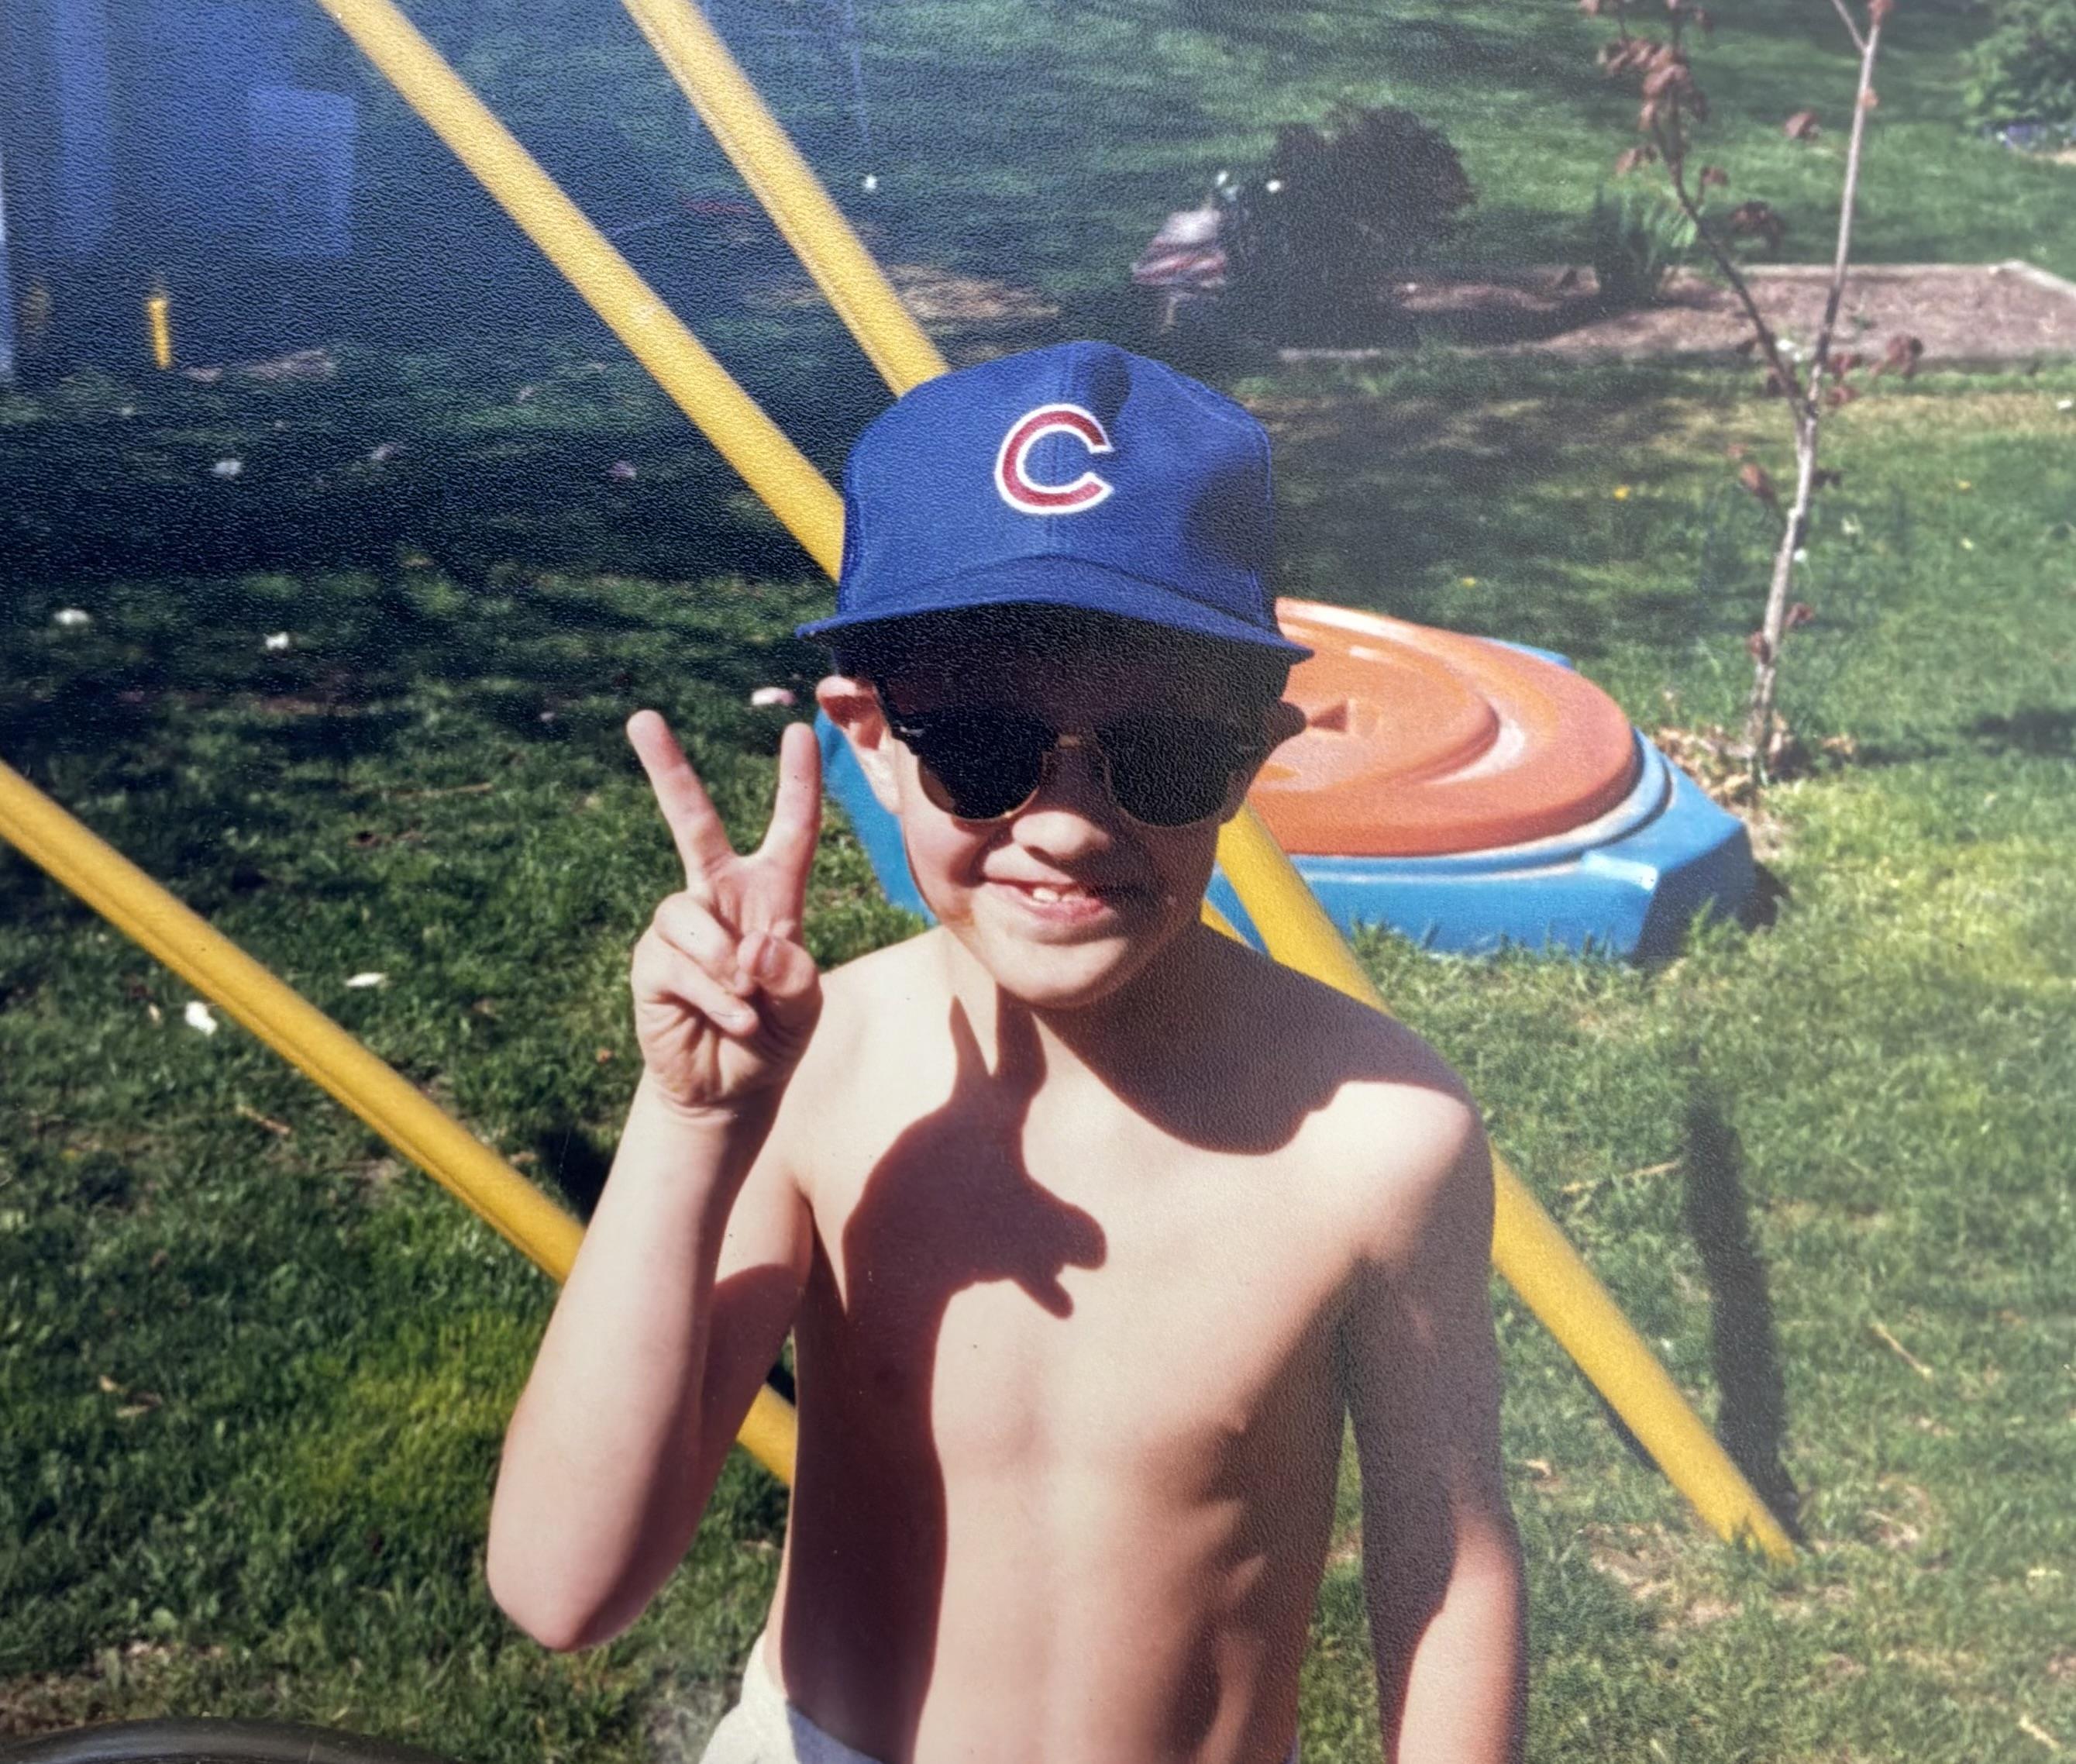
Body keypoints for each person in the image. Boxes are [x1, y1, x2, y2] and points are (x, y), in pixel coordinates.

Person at [484, 342, 1525, 1764]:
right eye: (981, 747)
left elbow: (1450, 1566)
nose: (1071, 824)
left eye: (1161, 757)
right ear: (871, 739)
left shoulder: (1379, 1138)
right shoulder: (817, 1076)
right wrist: (688, 1126)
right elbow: (562, 1586)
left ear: (1256, 752)